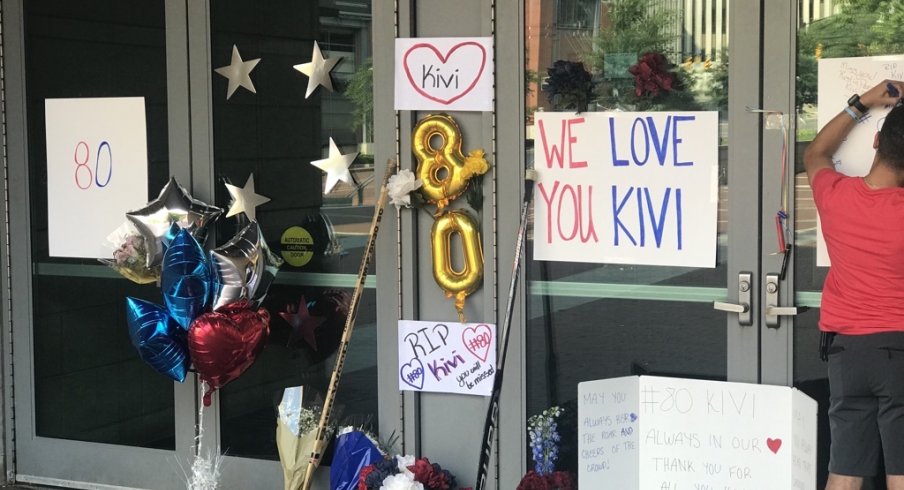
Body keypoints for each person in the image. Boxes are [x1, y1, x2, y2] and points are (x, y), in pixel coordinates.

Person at [804, 79, 904, 490]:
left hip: (847, 351)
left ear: (877, 140)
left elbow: (816, 153)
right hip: (899, 350)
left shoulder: (836, 196)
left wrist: (862, 103)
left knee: (843, 471)